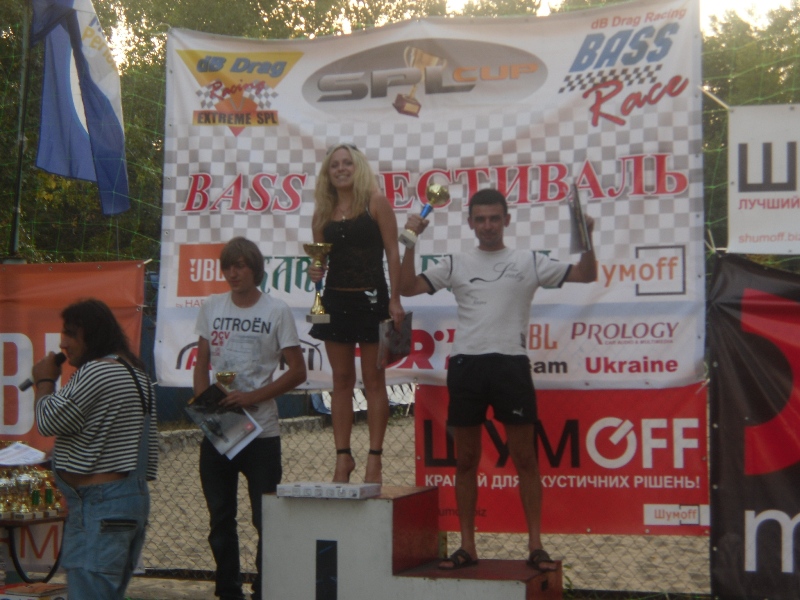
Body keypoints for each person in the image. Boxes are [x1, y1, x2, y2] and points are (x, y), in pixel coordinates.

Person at [398, 188, 597, 571]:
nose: (488, 225)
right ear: (470, 222)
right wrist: (410, 240)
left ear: (506, 220)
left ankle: (535, 545)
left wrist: (586, 239)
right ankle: (467, 546)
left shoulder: (529, 261)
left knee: (526, 459)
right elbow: (407, 288)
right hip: (467, 367)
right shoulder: (456, 263)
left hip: (511, 366)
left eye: (494, 218)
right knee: (466, 460)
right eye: (481, 219)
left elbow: (587, 274)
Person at [193, 237, 306, 600]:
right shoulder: (211, 305)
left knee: (266, 520)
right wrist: (205, 409)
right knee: (220, 518)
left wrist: (251, 397)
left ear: (254, 268)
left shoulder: (276, 310)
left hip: (262, 434)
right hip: (220, 430)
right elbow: (201, 363)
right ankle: (228, 591)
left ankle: (264, 590)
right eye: (227, 266)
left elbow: (298, 371)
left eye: (240, 266)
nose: (233, 273)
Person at [32, 298, 158, 599]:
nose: (63, 343)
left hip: (100, 507)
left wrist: (45, 380)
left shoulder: (97, 371)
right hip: (126, 502)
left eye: (70, 333)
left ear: (92, 333)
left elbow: (47, 421)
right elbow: (106, 436)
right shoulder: (135, 372)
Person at [308, 143, 405, 484]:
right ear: (327, 173)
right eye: (335, 164)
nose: (341, 169)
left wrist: (395, 300)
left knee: (375, 381)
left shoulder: (376, 202)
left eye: (347, 163)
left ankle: (374, 460)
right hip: (335, 302)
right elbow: (319, 260)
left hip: (373, 301)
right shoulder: (322, 212)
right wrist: (315, 269)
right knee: (341, 381)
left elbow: (393, 252)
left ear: (358, 167)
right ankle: (343, 457)